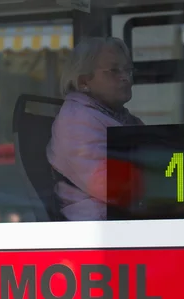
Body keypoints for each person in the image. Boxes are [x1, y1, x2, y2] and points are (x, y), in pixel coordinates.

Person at [46, 37, 144, 221]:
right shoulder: (76, 120)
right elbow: (110, 185)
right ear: (84, 81)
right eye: (114, 71)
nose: (125, 77)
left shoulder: (118, 115)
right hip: (98, 223)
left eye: (128, 70)